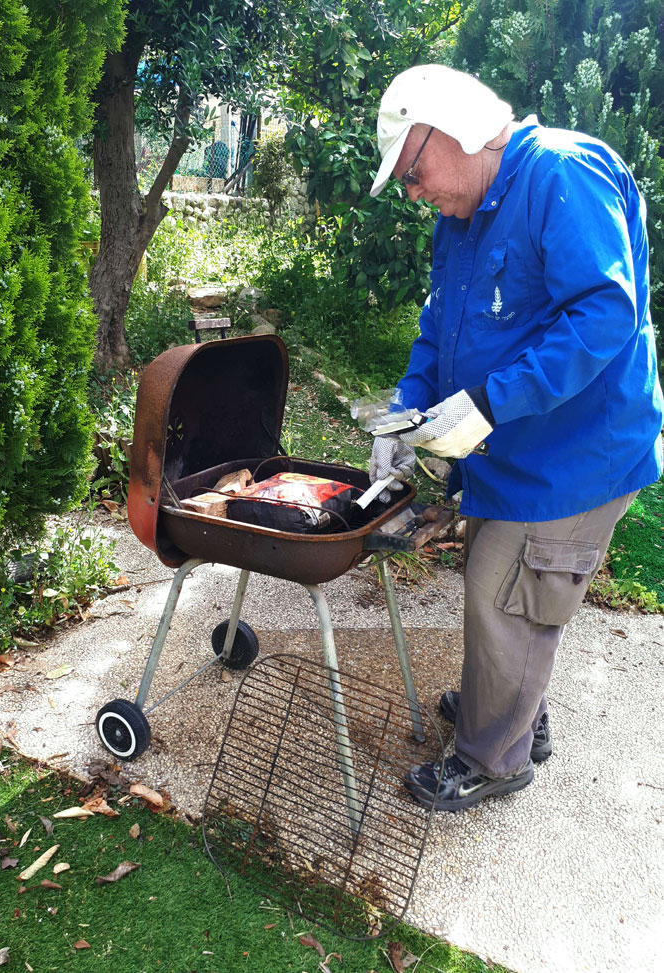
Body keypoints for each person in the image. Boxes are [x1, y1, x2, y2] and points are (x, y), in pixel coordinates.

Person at [367, 64, 663, 812]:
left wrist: (491, 403)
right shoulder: (460, 219)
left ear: (452, 127)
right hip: (512, 447)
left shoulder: (562, 172)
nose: (414, 191)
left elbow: (604, 313)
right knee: (505, 584)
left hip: (578, 454)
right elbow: (441, 328)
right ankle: (514, 710)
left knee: (509, 591)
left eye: (414, 170)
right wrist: (407, 409)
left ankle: (493, 758)